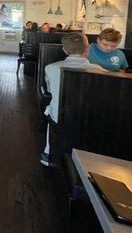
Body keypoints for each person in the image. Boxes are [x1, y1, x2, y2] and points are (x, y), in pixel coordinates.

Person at [40, 33, 105, 167]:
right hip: (89, 119)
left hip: (60, 117)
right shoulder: (101, 71)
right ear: (87, 49)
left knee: (52, 109)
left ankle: (48, 155)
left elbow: (50, 91)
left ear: (64, 50)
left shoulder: (50, 68)